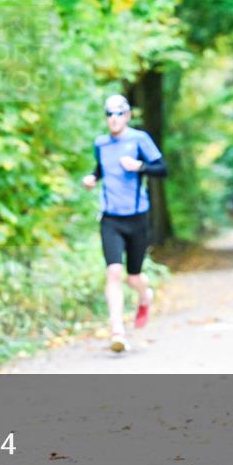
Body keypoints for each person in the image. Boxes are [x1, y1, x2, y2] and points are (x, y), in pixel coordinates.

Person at [82, 95, 167, 353]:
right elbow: (101, 168)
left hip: (137, 217)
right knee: (113, 272)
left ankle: (145, 297)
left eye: (119, 113)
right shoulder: (101, 144)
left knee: (133, 276)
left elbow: (162, 169)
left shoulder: (139, 139)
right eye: (109, 114)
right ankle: (117, 330)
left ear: (127, 116)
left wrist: (139, 166)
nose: (114, 118)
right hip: (110, 218)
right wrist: (92, 178)